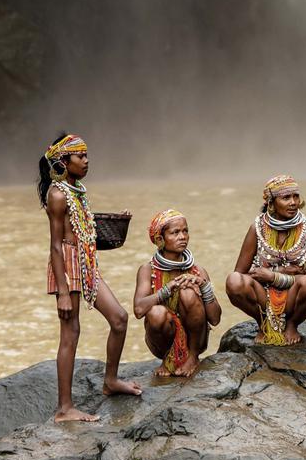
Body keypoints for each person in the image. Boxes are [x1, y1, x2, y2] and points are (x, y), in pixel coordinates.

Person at [38, 131, 142, 422]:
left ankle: (110, 382)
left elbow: (84, 230)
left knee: (119, 319)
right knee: (71, 333)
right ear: (62, 160)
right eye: (80, 156)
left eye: (86, 156)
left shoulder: (77, 190)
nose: (86, 161)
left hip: (85, 262)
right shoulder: (58, 195)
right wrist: (62, 290)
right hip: (67, 267)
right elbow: (56, 245)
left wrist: (115, 222)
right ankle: (64, 409)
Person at [226, 174, 306, 345]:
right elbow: (241, 273)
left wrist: (272, 276)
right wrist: (281, 272)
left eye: (296, 196)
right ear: (270, 202)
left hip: (293, 295)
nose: (293, 202)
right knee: (233, 281)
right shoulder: (257, 227)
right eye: (286, 197)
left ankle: (292, 324)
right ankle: (263, 323)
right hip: (262, 294)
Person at [133, 209, 221, 379]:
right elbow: (138, 310)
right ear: (160, 239)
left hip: (197, 341)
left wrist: (203, 286)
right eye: (175, 232)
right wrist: (169, 288)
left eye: (185, 231)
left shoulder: (198, 270)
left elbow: (215, 319)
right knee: (156, 312)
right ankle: (168, 358)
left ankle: (193, 357)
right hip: (161, 342)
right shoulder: (147, 270)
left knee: (188, 293)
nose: (183, 236)